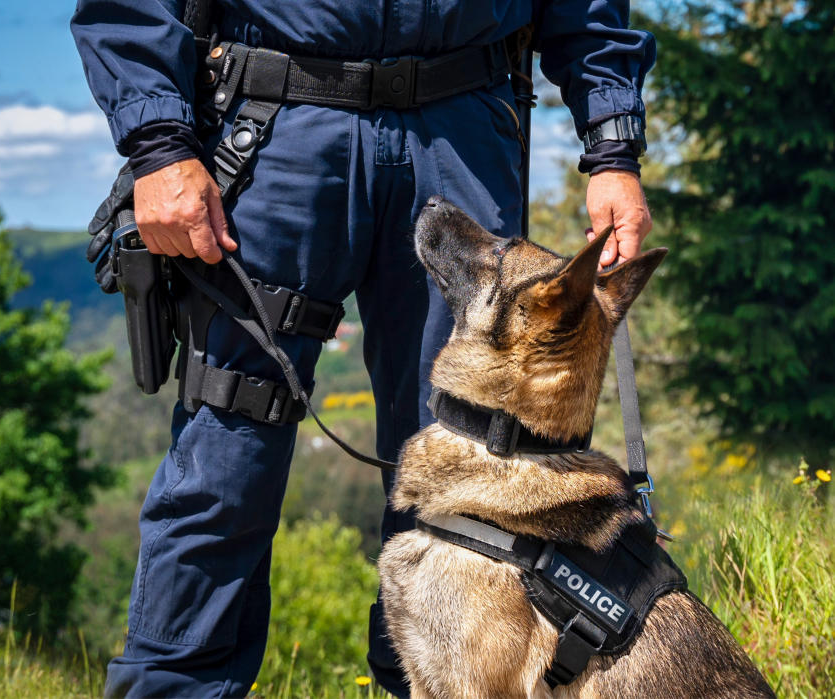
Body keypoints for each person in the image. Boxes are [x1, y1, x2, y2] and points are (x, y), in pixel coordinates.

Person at [71, 1, 655, 696]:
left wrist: (612, 143)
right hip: (277, 119)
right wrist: (158, 144)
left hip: (463, 122)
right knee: (226, 456)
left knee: (471, 470)